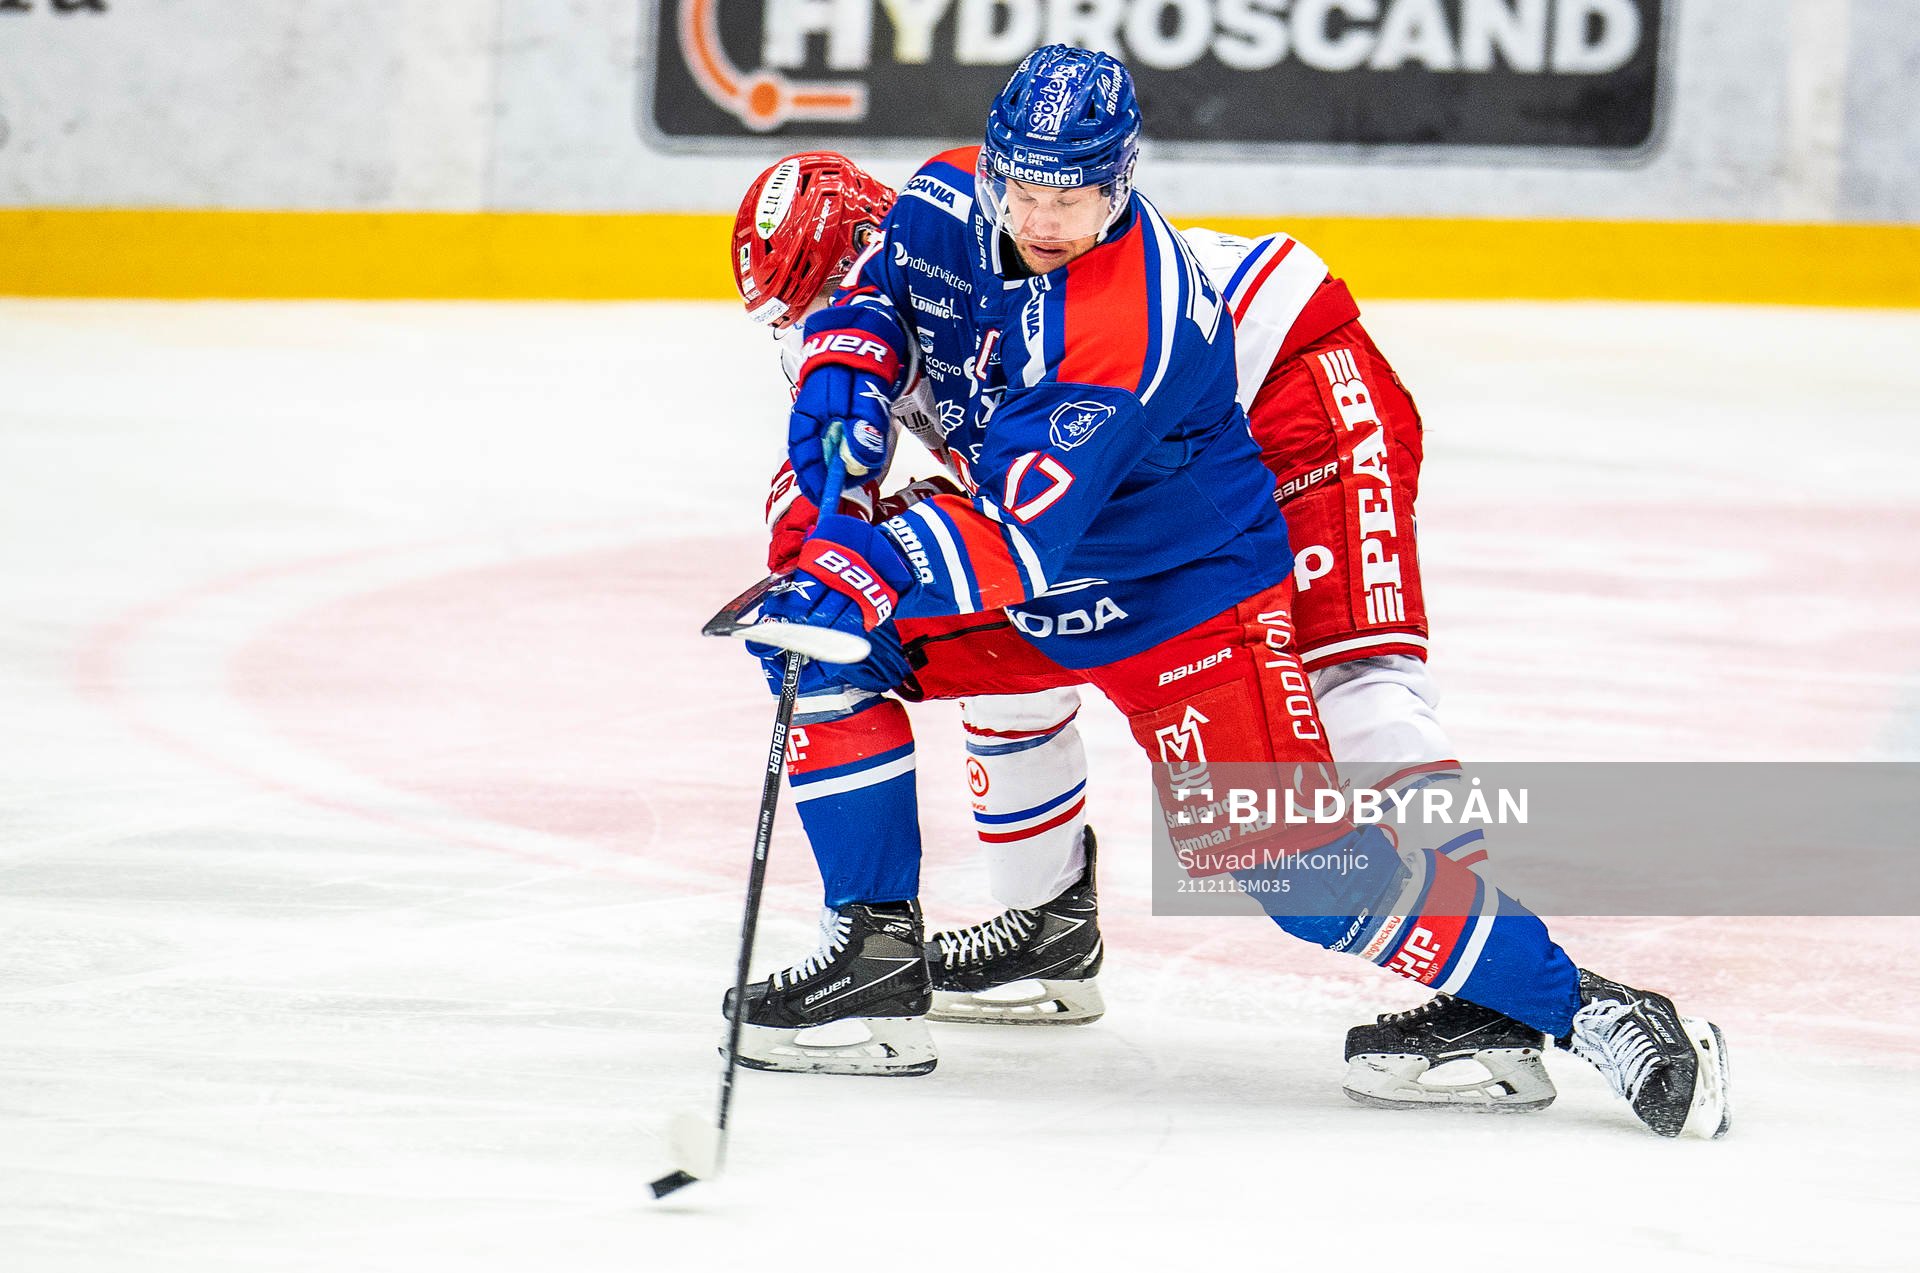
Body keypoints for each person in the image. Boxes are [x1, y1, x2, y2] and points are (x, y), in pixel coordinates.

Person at [734, 45, 1730, 1139]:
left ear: (1119, 180)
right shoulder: (934, 224)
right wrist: (817, 516)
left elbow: (1014, 535)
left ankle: (1532, 999)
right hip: (1076, 562)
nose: (1045, 217)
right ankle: (938, 947)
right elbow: (860, 337)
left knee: (1342, 727)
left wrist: (858, 562)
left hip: (1217, 525)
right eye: (1025, 189)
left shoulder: (1118, 320)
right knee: (823, 646)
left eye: (1072, 194)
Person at [731, 152, 1107, 1026]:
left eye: (818, 294)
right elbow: (828, 476)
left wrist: (845, 558)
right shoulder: (937, 279)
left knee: (820, 646)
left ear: (872, 242)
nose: (813, 331)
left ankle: (875, 956)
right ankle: (1049, 930)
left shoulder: (996, 282)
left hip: (1142, 561)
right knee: (1320, 755)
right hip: (1155, 548)